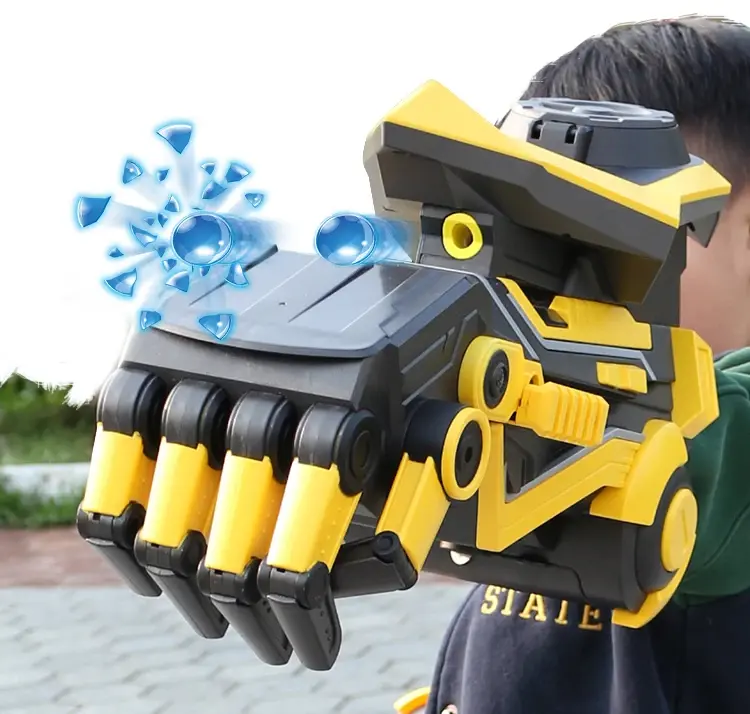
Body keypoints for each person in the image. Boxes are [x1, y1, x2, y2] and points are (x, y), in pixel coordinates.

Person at [412, 16, 750, 714]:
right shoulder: (531, 392)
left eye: (607, 241)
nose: (556, 283)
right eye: (529, 238)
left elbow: (699, 451)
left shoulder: (722, 429)